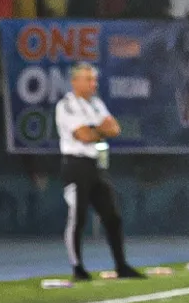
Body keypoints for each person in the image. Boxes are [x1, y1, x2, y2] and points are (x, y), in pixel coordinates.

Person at [55, 64, 144, 281]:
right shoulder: (67, 105)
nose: (94, 83)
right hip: (75, 165)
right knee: (78, 217)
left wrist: (95, 130)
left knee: (112, 216)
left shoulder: (96, 103)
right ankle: (77, 268)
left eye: (94, 79)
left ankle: (121, 266)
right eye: (89, 79)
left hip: (96, 165)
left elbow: (115, 128)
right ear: (75, 82)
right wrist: (100, 130)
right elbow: (83, 135)